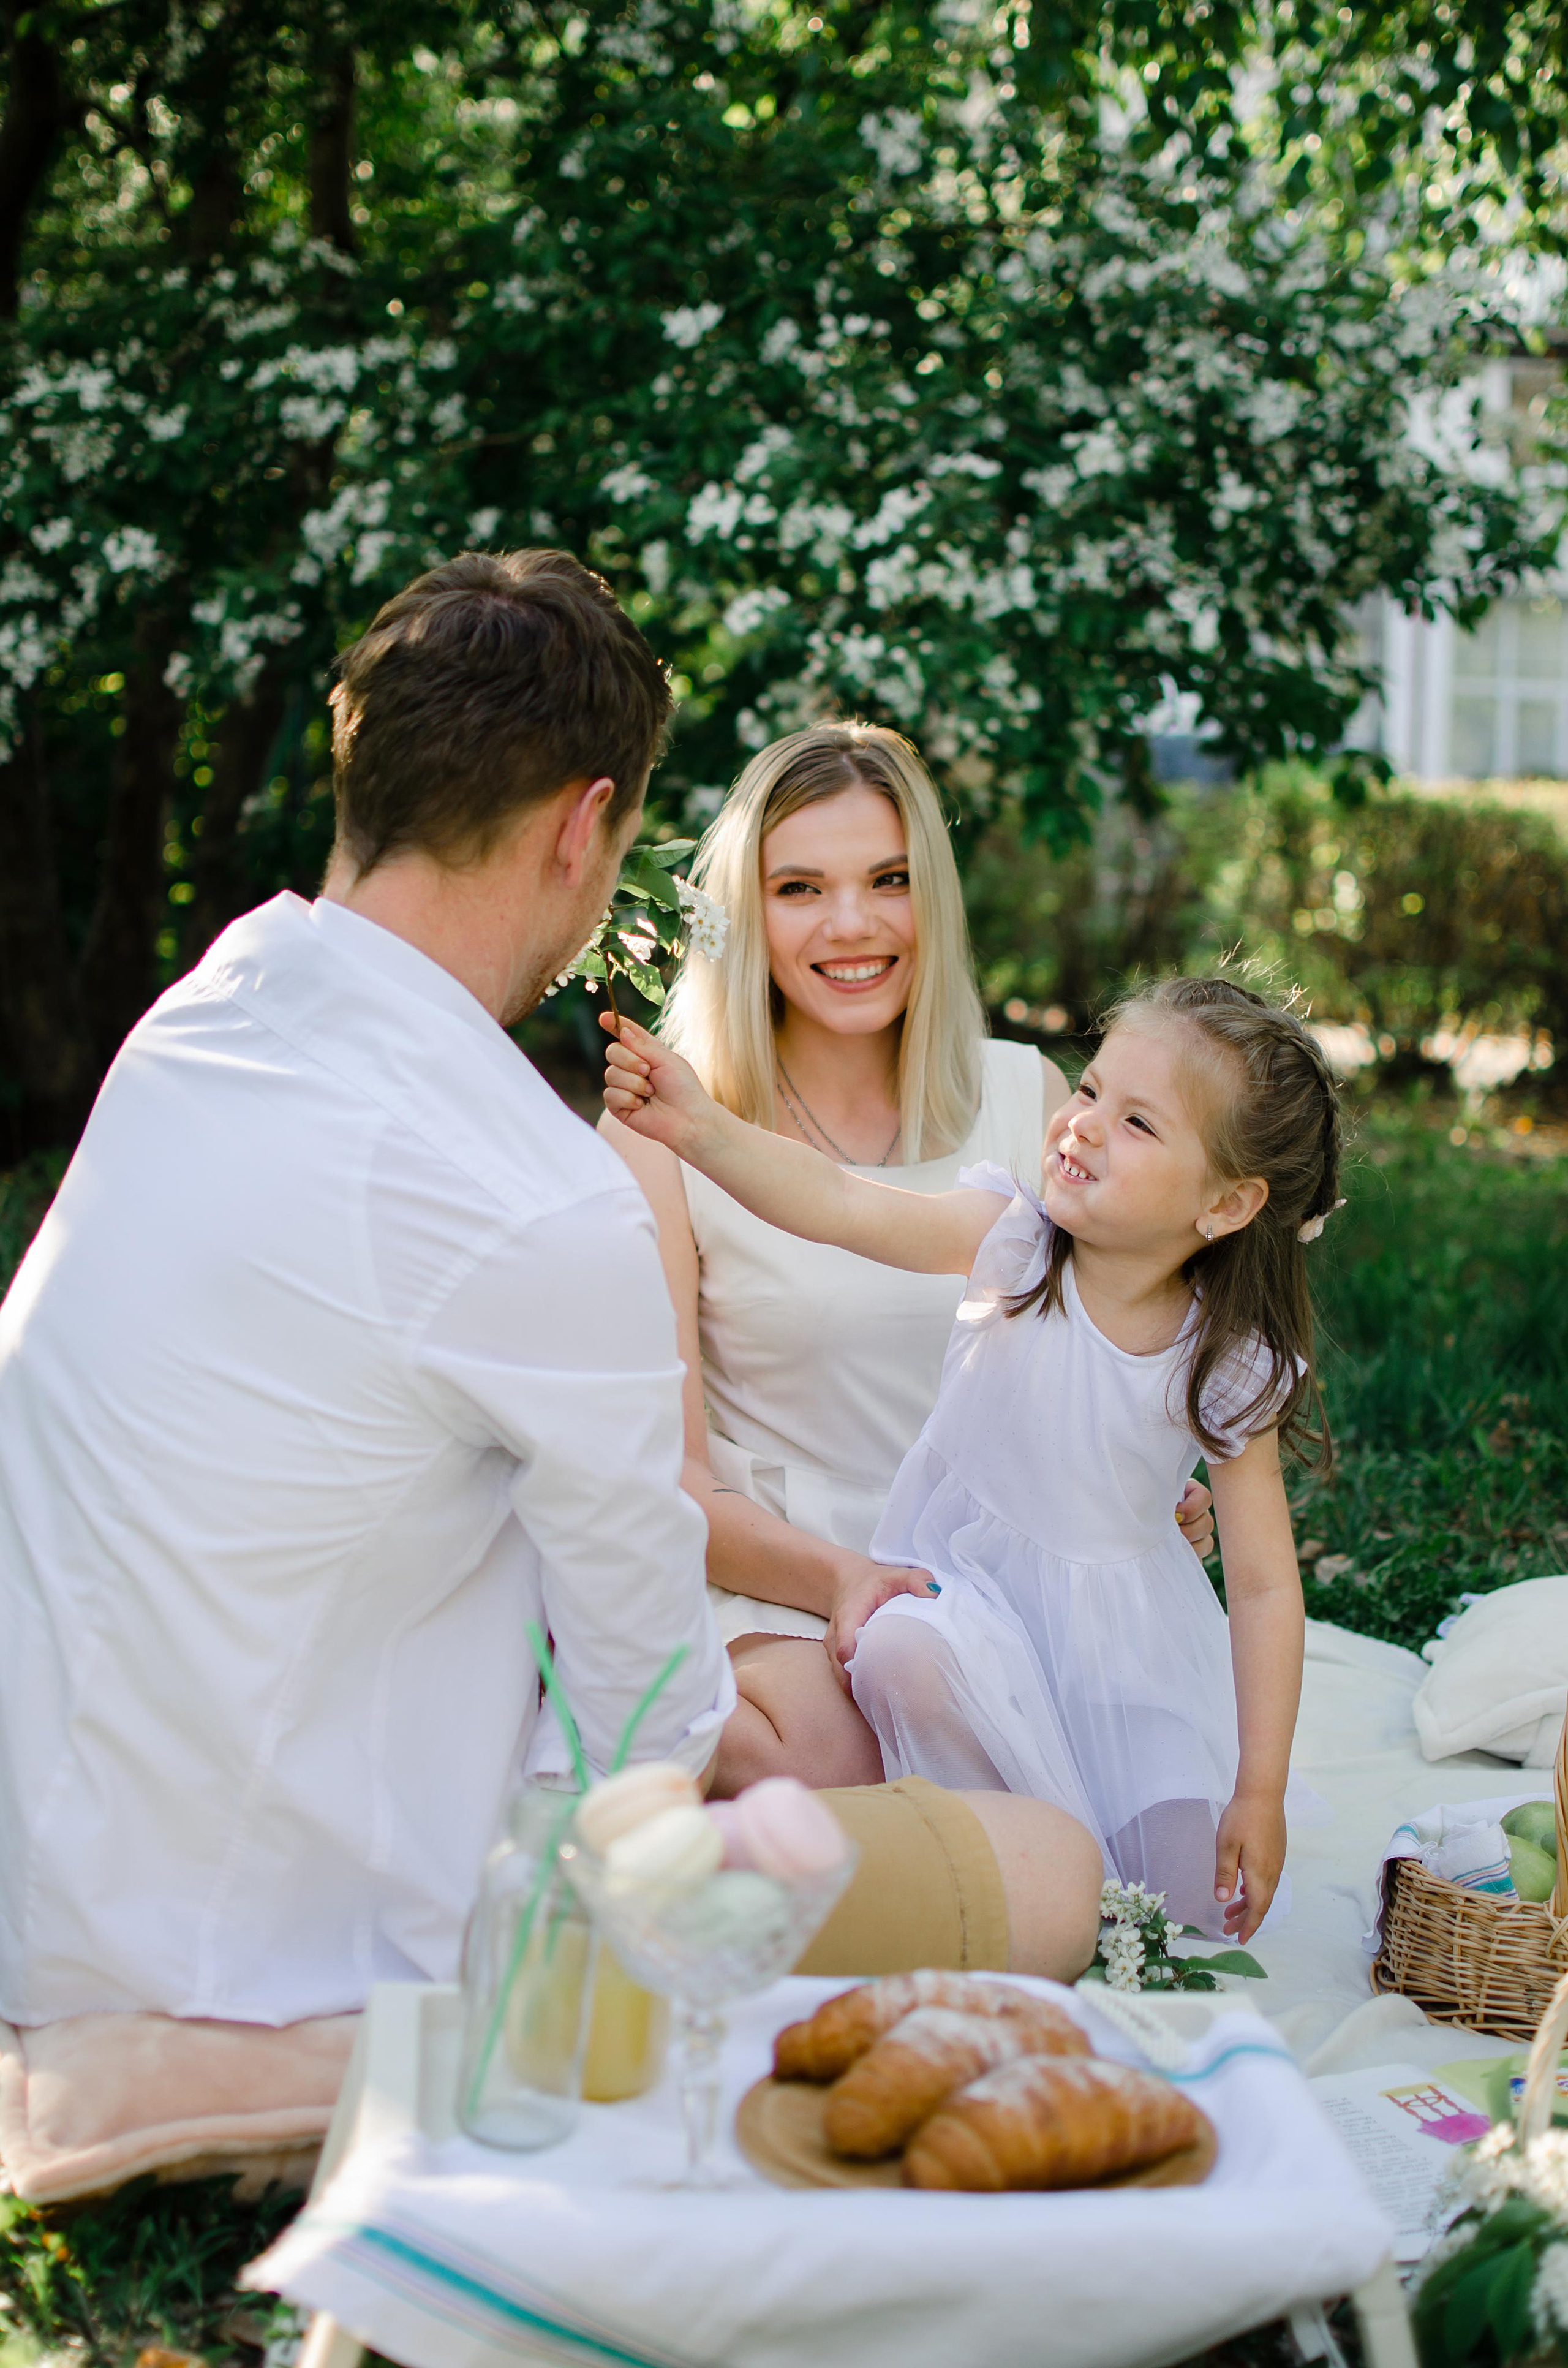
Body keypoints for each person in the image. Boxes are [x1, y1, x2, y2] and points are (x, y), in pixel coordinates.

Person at [0, 552, 1099, 2037]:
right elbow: (642, 1723)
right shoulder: (533, 1191)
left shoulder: (190, 1028)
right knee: (1053, 1867)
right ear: (589, 825)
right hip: (266, 1951)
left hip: (41, 1867)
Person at [605, 972, 1343, 1942]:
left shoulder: (1224, 1359)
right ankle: (968, 1846)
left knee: (1190, 1899)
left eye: (1136, 1124)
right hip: (974, 1603)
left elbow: (1261, 1588)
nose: (1081, 1126)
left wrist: (1261, 1786)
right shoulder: (1014, 1245)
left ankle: (1047, 1853)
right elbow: (836, 1200)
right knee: (909, 1652)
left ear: (1227, 1201)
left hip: (1117, 1645)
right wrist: (704, 1131)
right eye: (1088, 1092)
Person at [600, 723, 1214, 1795]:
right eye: (799, 888)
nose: (854, 924)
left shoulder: (1030, 1100)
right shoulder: (666, 1130)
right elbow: (666, 1481)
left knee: (1143, 1777)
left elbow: (1098, 1367)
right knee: (841, 1763)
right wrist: (847, 1576)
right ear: (745, 913)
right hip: (774, 1572)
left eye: (889, 879)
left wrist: (1148, 1490)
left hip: (990, 1572)